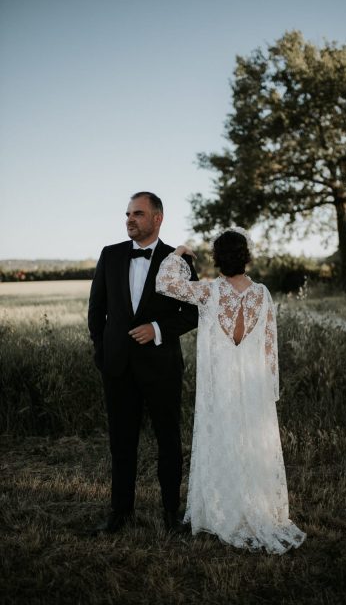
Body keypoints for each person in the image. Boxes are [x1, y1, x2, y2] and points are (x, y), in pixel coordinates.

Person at [155, 228, 306, 554]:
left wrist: (177, 254)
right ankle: (255, 510)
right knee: (251, 446)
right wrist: (270, 391)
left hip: (219, 386)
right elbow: (269, 348)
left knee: (221, 441)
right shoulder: (262, 294)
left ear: (218, 258)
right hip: (253, 386)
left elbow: (165, 284)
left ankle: (224, 512)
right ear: (246, 256)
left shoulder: (209, 292)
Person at [88, 192, 198, 534]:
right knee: (121, 443)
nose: (130, 219)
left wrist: (158, 329)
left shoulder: (177, 259)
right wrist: (103, 353)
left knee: (168, 441)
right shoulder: (111, 255)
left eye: (138, 213)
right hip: (117, 367)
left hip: (161, 367)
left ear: (157, 218)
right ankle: (120, 514)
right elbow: (97, 310)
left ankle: (170, 514)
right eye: (127, 214)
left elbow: (194, 311)